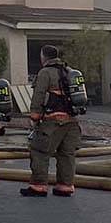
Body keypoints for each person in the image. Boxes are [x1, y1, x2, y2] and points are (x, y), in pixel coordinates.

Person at [23, 44, 82, 198]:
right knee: (66, 154)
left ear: (43, 57)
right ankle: (65, 186)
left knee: (39, 151)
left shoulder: (45, 73)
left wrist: (34, 115)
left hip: (52, 121)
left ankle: (38, 186)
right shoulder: (69, 72)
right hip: (72, 122)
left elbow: (39, 94)